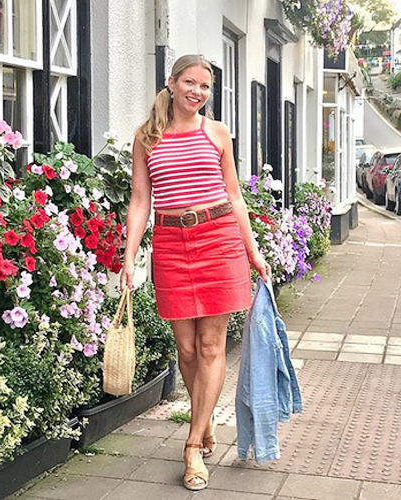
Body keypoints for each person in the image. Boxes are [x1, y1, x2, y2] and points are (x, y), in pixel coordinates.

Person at [119, 54, 270, 491]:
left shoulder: (217, 133)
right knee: (185, 350)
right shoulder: (147, 138)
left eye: (205, 87)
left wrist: (252, 250)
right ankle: (204, 423)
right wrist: (129, 257)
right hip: (170, 243)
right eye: (190, 83)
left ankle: (191, 445)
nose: (198, 93)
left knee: (209, 346)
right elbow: (140, 201)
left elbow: (236, 196)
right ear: (172, 82)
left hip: (218, 239)